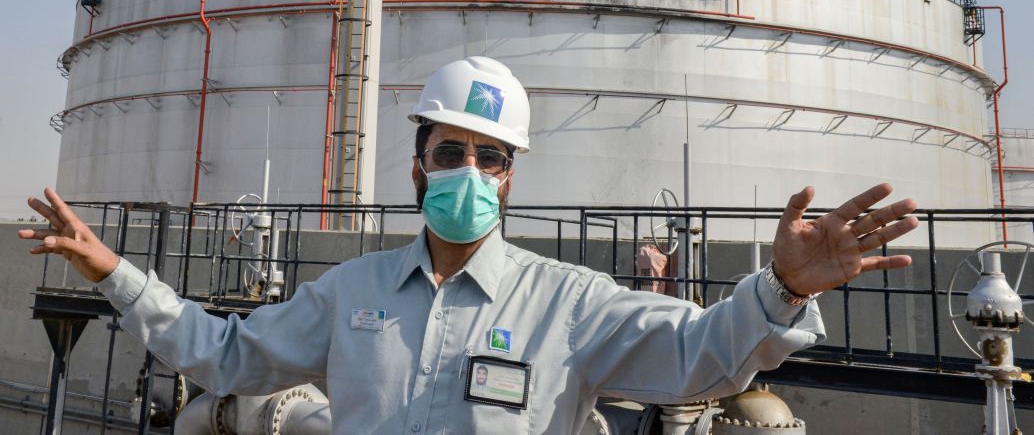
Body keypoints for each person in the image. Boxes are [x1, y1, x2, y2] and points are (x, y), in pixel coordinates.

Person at [21, 56, 919, 434]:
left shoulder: (569, 303)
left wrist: (782, 289)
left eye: (492, 158)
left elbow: (696, 359)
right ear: (416, 165)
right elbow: (222, 354)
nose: (471, 172)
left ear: (510, 177)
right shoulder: (352, 293)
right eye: (451, 152)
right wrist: (115, 272)